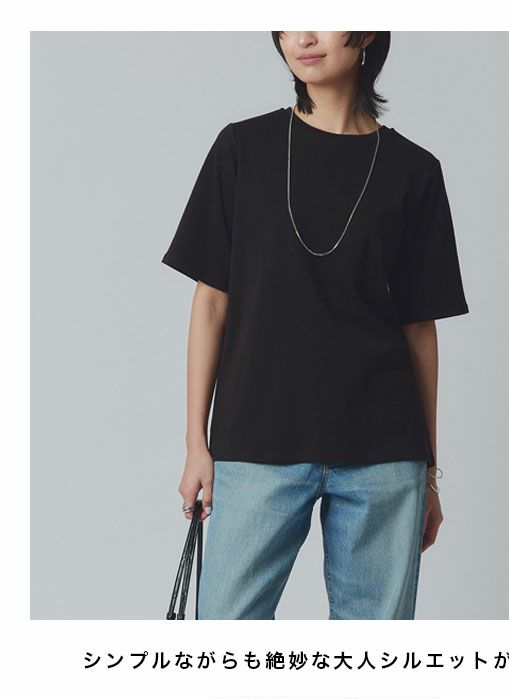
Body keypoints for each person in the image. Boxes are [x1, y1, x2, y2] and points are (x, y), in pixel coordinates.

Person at [161, 31, 469, 619]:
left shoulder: (414, 170)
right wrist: (196, 444)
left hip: (383, 451)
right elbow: (211, 301)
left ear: (368, 29)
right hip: (257, 438)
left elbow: (418, 330)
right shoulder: (243, 148)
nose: (302, 36)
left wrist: (428, 472)